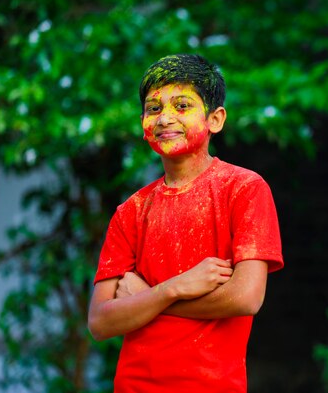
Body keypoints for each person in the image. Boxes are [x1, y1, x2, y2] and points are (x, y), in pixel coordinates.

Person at [88, 54, 284, 393]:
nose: (164, 118)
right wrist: (173, 288)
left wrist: (147, 298)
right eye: (153, 108)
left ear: (215, 119)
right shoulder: (131, 211)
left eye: (181, 106)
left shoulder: (244, 189)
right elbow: (101, 321)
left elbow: (246, 298)